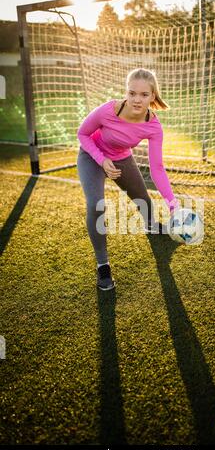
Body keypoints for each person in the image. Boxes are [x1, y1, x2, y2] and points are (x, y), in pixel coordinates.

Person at [77, 68, 179, 291]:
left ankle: (152, 225)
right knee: (96, 204)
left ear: (153, 96)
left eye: (143, 95)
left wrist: (172, 204)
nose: (136, 99)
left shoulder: (153, 127)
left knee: (142, 196)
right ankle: (103, 265)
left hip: (121, 158)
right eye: (132, 93)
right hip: (92, 156)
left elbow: (158, 168)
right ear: (126, 92)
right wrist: (101, 160)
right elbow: (82, 134)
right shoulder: (108, 110)